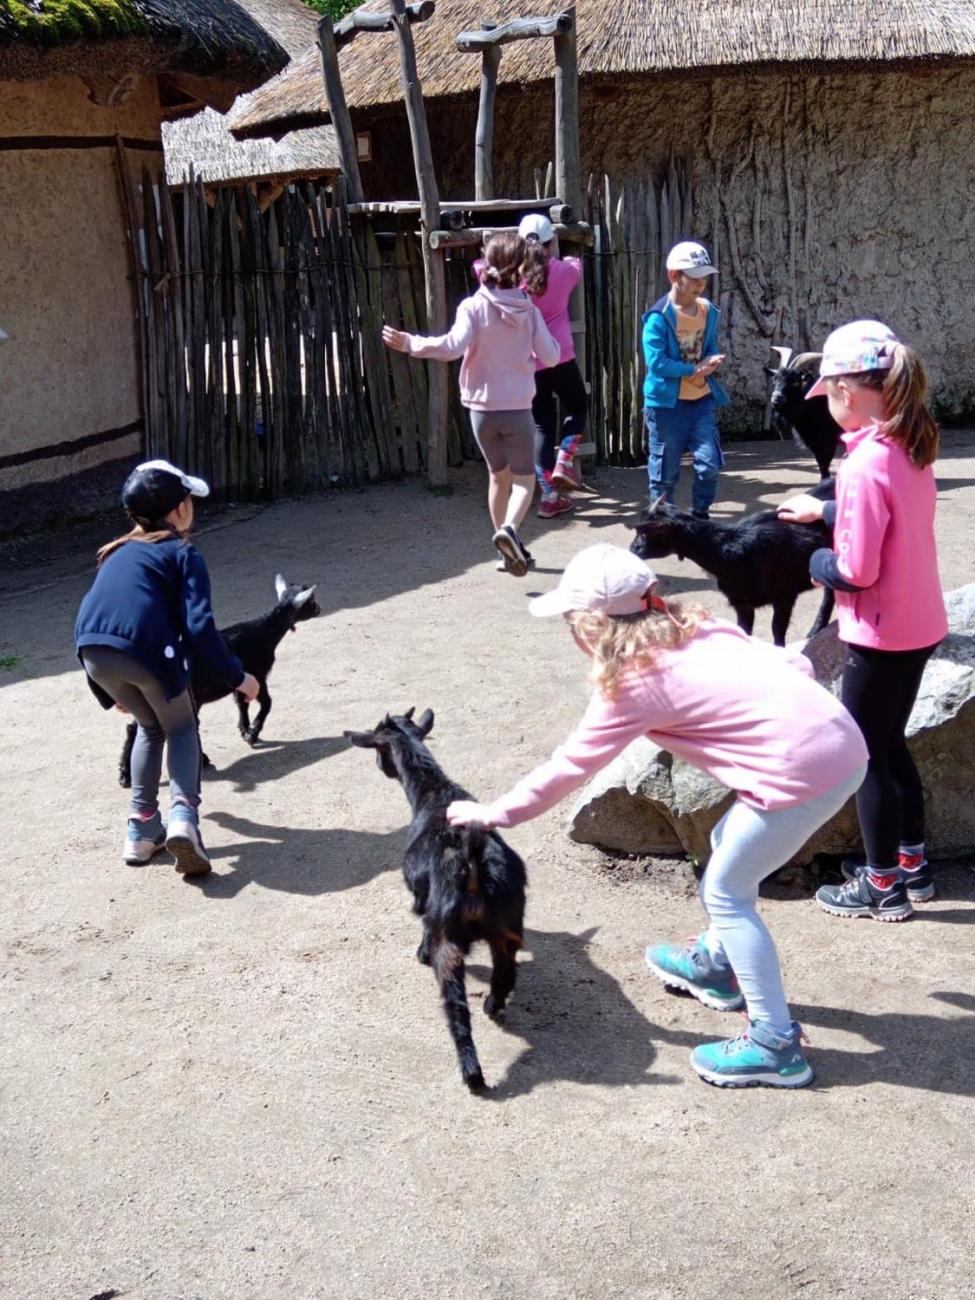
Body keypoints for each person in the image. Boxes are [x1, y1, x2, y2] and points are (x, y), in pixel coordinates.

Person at [445, 543, 867, 1088]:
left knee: (727, 892)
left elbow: (569, 765)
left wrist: (494, 813)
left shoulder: (632, 683)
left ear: (593, 626)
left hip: (803, 776)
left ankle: (775, 1043)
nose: (571, 633)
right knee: (726, 841)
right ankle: (717, 966)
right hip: (841, 743)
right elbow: (795, 661)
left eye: (572, 621)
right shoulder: (698, 626)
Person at [778, 320, 947, 920]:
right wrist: (824, 507)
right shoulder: (909, 442)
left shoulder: (861, 465)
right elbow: (887, 513)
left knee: (865, 753)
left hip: (877, 630)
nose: (827, 408)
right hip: (918, 621)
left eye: (827, 396)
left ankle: (881, 886)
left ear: (847, 390)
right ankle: (912, 865)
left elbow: (855, 570)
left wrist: (814, 556)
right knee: (890, 742)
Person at [75, 460, 259, 876]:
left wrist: (111, 691)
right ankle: (183, 819)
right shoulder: (181, 553)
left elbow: (98, 619)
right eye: (189, 499)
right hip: (144, 651)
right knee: (181, 726)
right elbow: (200, 628)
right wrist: (238, 677)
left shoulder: (115, 552)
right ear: (179, 510)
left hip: (93, 652)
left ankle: (141, 830)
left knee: (150, 726)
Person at [383, 232, 560, 577]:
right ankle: (509, 530)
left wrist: (410, 343)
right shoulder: (529, 312)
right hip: (518, 410)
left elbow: (451, 348)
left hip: (481, 412)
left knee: (498, 477)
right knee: (525, 482)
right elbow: (551, 357)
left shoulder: (472, 307)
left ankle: (504, 551)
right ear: (521, 268)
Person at [643, 241, 728, 519]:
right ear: (673, 276)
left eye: (703, 277)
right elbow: (656, 363)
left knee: (709, 465)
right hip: (666, 407)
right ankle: (661, 524)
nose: (700, 283)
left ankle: (700, 519)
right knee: (665, 475)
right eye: (693, 277)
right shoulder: (658, 318)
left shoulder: (707, 311)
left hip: (700, 402)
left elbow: (710, 346)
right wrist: (694, 370)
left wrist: (712, 360)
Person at [517, 213, 589, 518]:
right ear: (551, 242)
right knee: (577, 405)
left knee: (541, 425)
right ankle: (565, 461)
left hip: (530, 363)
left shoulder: (510, 278)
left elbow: (478, 269)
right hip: (560, 355)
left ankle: (548, 497)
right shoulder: (564, 271)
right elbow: (576, 264)